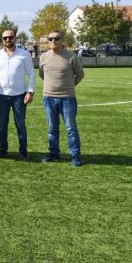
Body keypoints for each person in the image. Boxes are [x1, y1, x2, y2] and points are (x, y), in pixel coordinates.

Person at [39, 30, 85, 166]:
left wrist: (69, 86)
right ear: (48, 41)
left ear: (62, 41)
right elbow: (42, 75)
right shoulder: (43, 57)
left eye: (57, 38)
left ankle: (75, 156)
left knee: (71, 128)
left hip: (67, 99)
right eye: (50, 39)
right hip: (48, 98)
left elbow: (80, 74)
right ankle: (54, 154)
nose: (53, 41)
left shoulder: (71, 56)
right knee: (52, 129)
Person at [0, 28, 35, 160]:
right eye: (5, 38)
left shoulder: (24, 54)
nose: (8, 40)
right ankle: (2, 150)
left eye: (10, 37)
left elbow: (31, 73)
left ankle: (23, 152)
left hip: (19, 95)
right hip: (1, 95)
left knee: (20, 124)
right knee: (2, 124)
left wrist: (30, 91)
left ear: (15, 38)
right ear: (2, 40)